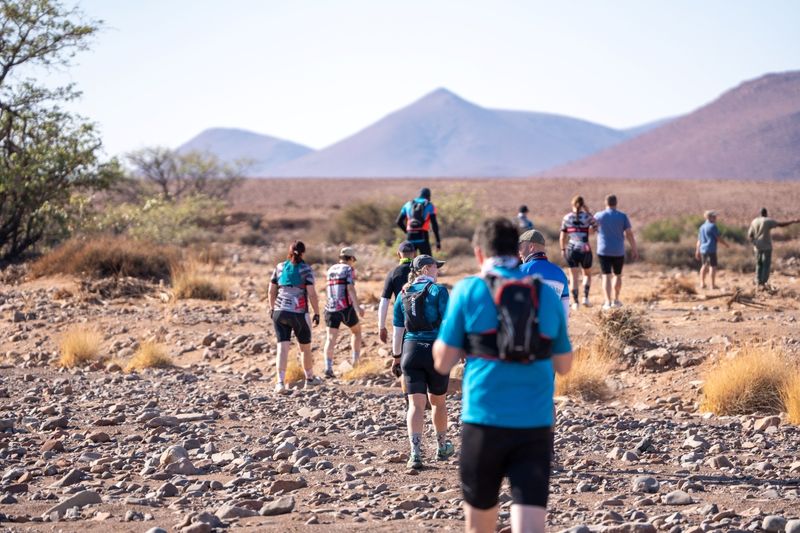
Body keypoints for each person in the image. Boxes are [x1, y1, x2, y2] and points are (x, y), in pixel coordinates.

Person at [433, 217, 572, 533]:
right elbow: (564, 365)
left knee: (480, 525)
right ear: (516, 250)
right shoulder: (546, 294)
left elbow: (442, 362)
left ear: (479, 253)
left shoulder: (469, 289)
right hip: (534, 425)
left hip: (484, 421)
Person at [392, 254, 454, 469]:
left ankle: (415, 453)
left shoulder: (403, 293)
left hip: (410, 351)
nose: (438, 271)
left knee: (415, 405)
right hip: (435, 352)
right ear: (426, 269)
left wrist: (396, 357)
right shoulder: (439, 291)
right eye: (436, 267)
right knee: (438, 402)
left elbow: (398, 329)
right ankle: (442, 447)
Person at [268, 241, 322, 393]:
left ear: (289, 251)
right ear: (303, 253)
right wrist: (317, 313)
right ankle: (309, 380)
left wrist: (272, 308)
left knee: (282, 347)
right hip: (299, 313)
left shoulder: (279, 267)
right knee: (305, 348)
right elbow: (311, 294)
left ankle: (280, 383)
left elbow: (271, 291)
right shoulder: (306, 269)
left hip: (279, 311)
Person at [322, 247, 365, 378]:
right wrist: (358, 308)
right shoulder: (348, 269)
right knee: (356, 332)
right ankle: (355, 362)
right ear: (350, 258)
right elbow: (350, 288)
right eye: (353, 260)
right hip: (345, 308)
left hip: (330, 308)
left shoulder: (330, 269)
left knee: (330, 338)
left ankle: (328, 368)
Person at [594, 194, 639, 309]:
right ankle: (616, 300)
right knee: (617, 275)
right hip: (618, 250)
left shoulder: (598, 216)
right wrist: (634, 249)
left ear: (606, 203)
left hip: (603, 250)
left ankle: (607, 302)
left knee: (606, 276)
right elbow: (629, 234)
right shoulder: (622, 216)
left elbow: (590, 230)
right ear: (616, 203)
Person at [519, 229, 570, 319]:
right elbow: (565, 313)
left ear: (531, 247)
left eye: (520, 248)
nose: (519, 253)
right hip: (552, 326)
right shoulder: (560, 273)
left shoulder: (520, 271)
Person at [559, 195, 598, 310]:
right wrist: (588, 211)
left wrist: (562, 249)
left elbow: (562, 237)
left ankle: (576, 303)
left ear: (572, 204)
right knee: (587, 274)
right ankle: (585, 298)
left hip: (571, 248)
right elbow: (595, 227)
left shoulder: (566, 218)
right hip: (585, 248)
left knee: (573, 276)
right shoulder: (587, 217)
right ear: (582, 204)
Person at [747, 208, 800, 289]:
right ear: (766, 213)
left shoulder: (754, 221)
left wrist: (755, 242)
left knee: (759, 264)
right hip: (766, 246)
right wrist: (793, 221)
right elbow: (780, 224)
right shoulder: (767, 221)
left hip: (757, 247)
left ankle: (758, 282)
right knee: (766, 264)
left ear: (760, 213)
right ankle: (763, 283)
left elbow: (750, 235)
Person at [378, 241, 417, 344]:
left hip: (402, 318)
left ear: (398, 254)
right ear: (415, 254)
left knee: (400, 350)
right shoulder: (421, 271)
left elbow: (384, 301)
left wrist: (381, 327)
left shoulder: (393, 273)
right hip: (422, 320)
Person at [396, 187, 441, 255]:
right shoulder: (430, 205)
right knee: (427, 260)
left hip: (410, 236)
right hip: (423, 236)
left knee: (409, 260)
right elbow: (434, 225)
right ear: (429, 196)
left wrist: (407, 232)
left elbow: (398, 221)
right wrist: (438, 241)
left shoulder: (408, 204)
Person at [695, 210, 729, 290]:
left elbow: (699, 240)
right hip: (711, 249)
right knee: (713, 266)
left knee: (704, 265)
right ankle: (712, 285)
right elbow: (718, 238)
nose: (715, 218)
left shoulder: (702, 227)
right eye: (714, 217)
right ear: (709, 217)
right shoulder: (713, 226)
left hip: (703, 249)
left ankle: (702, 283)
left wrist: (697, 250)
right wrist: (725, 244)